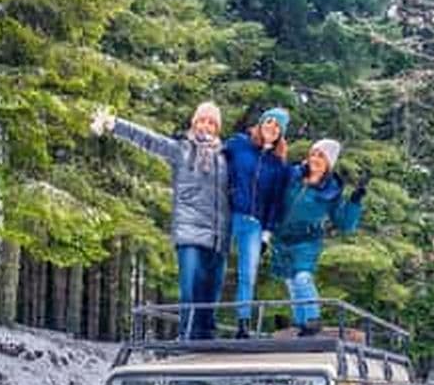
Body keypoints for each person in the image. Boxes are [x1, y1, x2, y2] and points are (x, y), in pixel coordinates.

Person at [90, 102, 229, 339]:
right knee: (190, 289)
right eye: (202, 120)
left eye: (211, 122)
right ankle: (187, 338)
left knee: (210, 295)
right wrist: (116, 125)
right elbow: (149, 140)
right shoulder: (181, 150)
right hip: (190, 231)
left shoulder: (226, 158)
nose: (206, 126)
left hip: (218, 237)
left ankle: (206, 342)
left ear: (217, 128)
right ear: (194, 123)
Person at [271, 138, 369, 335]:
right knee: (290, 281)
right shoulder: (293, 176)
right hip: (282, 239)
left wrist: (355, 201)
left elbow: (345, 224)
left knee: (302, 278)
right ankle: (301, 323)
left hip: (307, 240)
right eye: (313, 153)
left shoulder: (331, 191)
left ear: (328, 163)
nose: (315, 158)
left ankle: (313, 319)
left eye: (321, 156)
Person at [224, 108, 291, 338]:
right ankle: (203, 321)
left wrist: (267, 234)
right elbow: (214, 158)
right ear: (261, 123)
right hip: (229, 215)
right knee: (216, 266)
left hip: (254, 225)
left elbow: (275, 203)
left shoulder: (278, 165)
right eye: (269, 121)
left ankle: (242, 324)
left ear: (281, 134)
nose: (272, 127)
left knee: (247, 274)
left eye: (277, 126)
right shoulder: (239, 144)